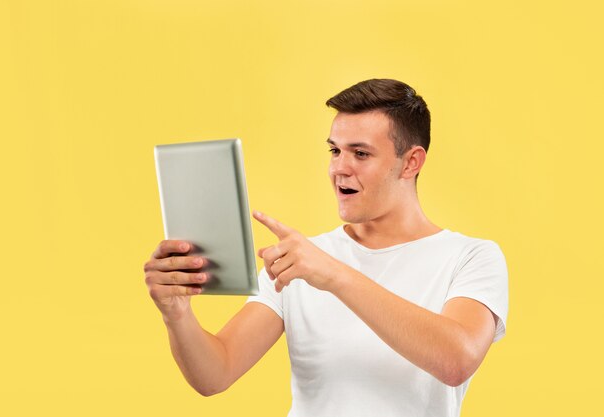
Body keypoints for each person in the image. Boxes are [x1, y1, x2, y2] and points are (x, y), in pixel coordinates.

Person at [143, 79, 508, 417]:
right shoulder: (299, 259)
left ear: (411, 162)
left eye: (361, 154)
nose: (339, 168)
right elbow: (215, 374)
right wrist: (177, 314)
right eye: (335, 151)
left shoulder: (470, 257)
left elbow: (456, 360)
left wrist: (334, 274)